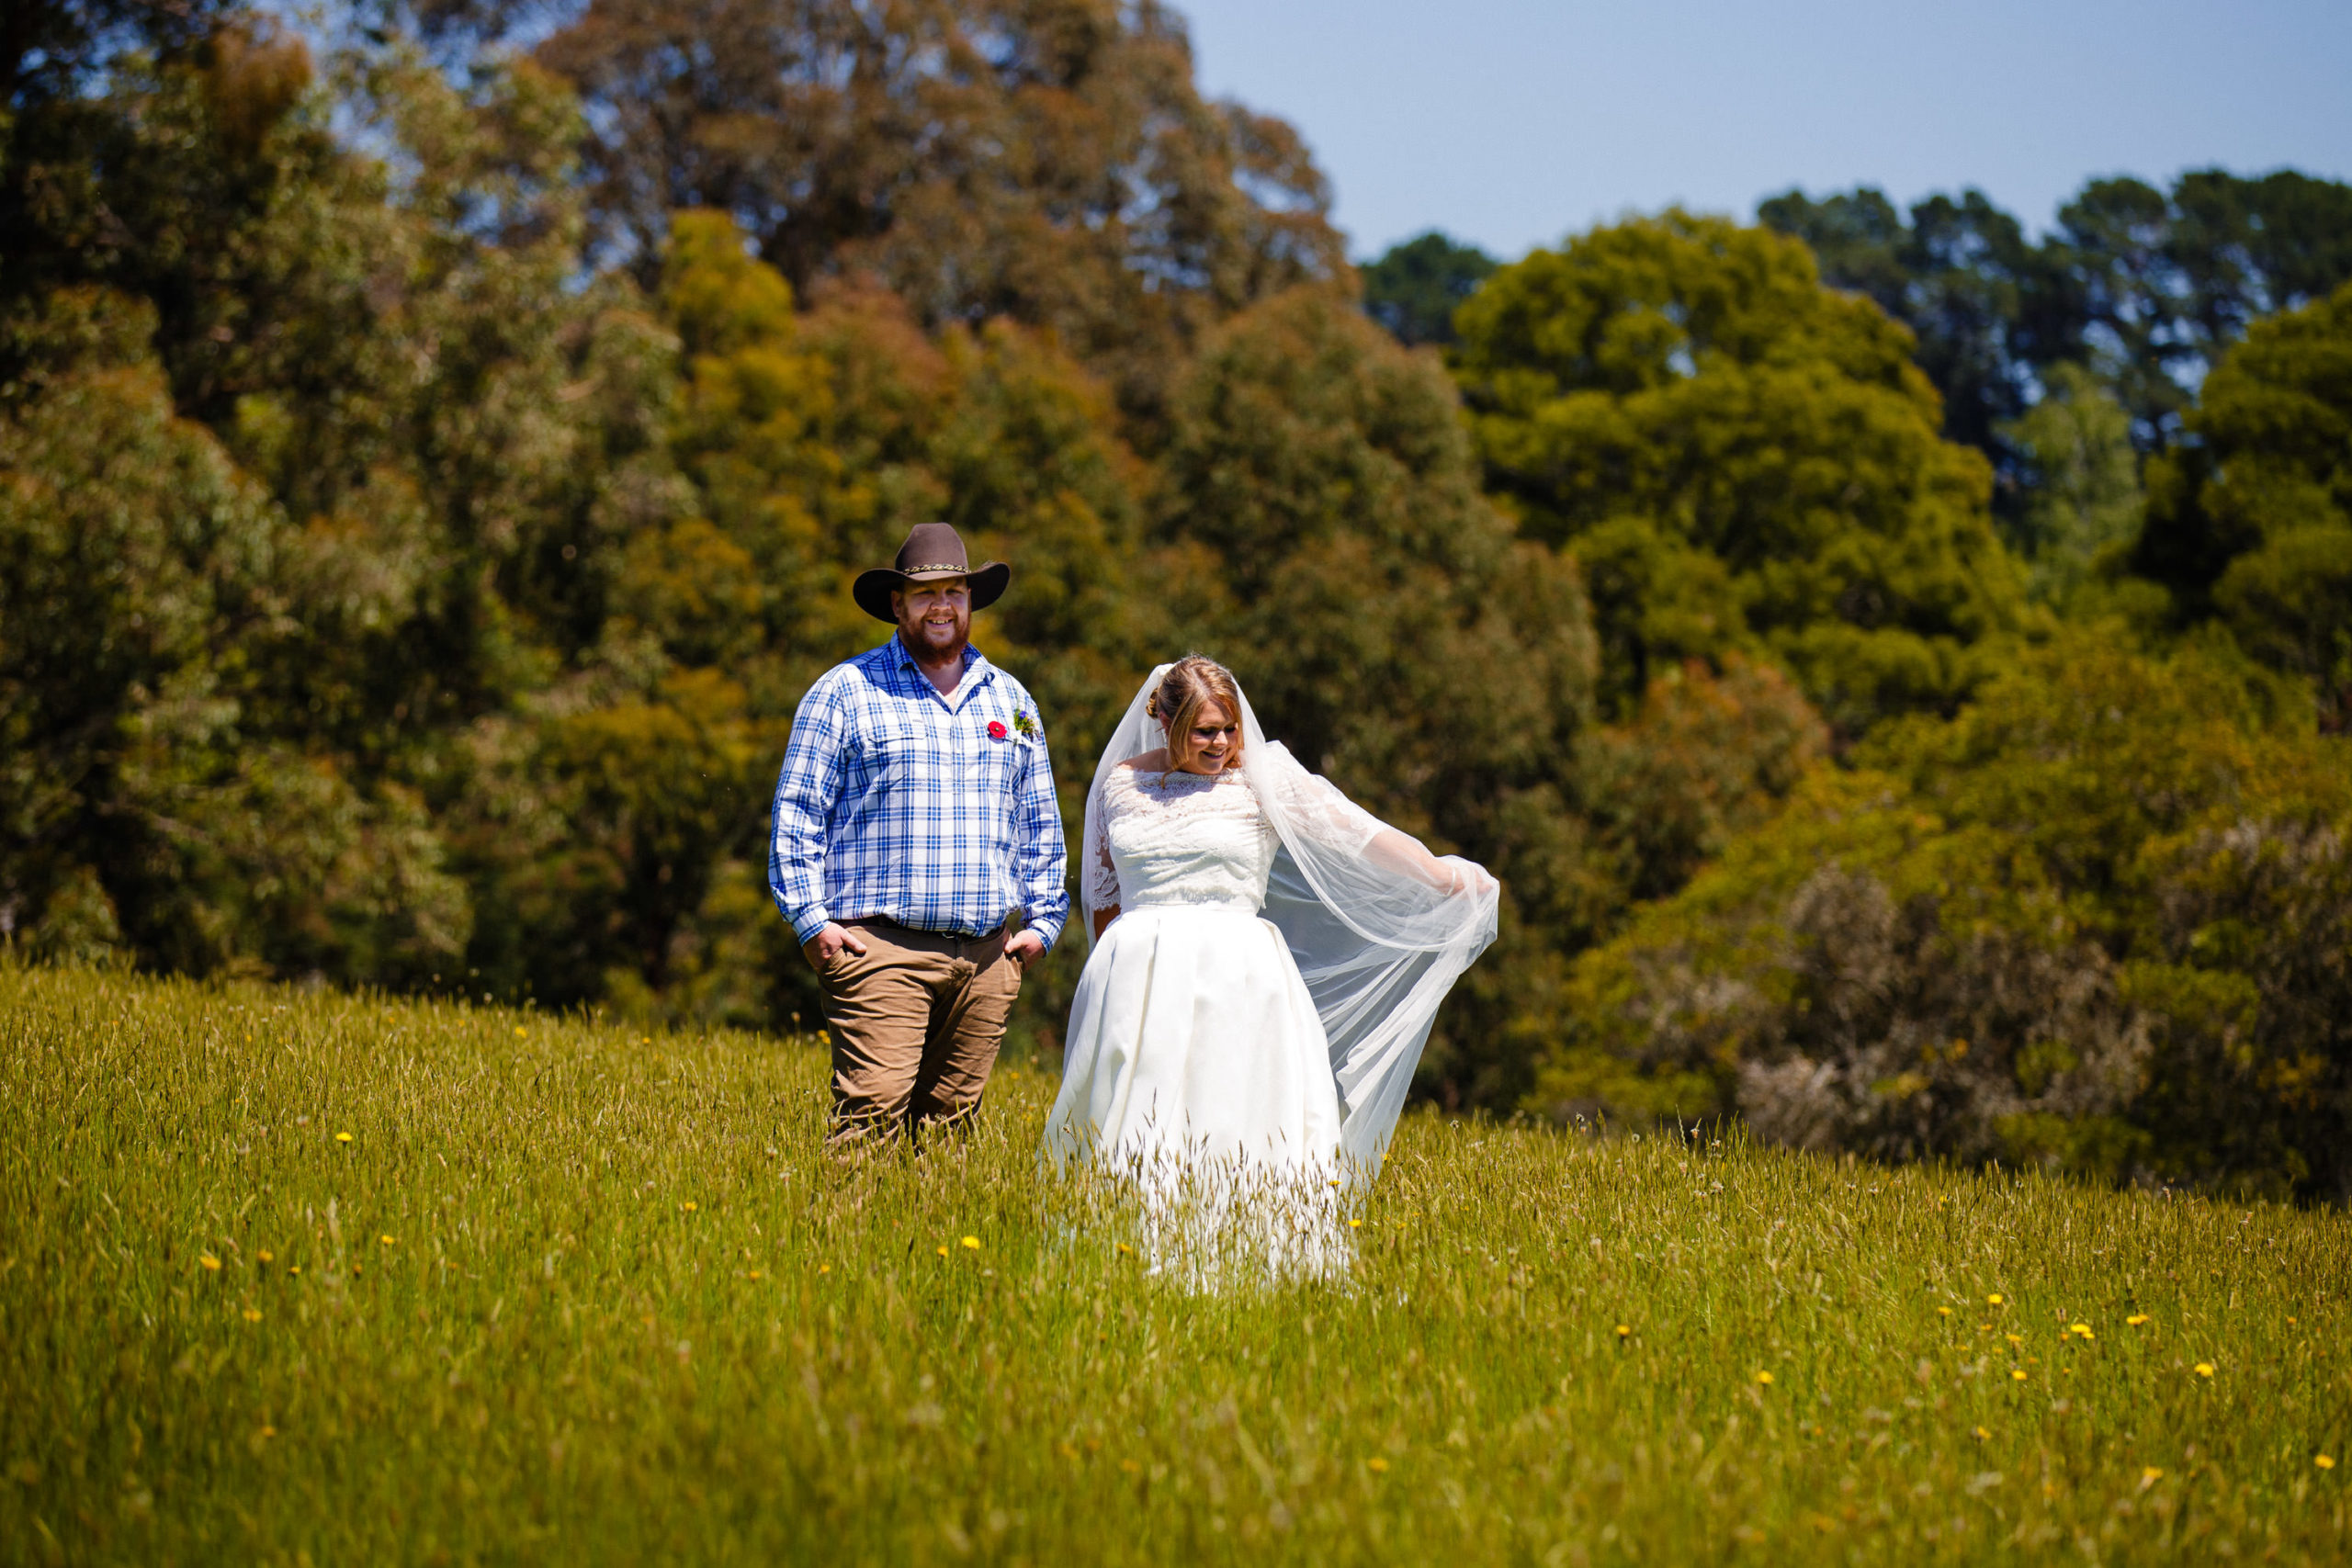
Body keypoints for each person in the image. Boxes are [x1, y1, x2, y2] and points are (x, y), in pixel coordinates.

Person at [1041, 655, 1498, 1276]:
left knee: (1232, 1116)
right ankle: (1130, 1264)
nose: (1222, 743)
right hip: (1137, 980)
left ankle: (1244, 1264)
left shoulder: (1261, 779)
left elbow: (1354, 833)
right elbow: (1103, 890)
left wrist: (1442, 875)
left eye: (1229, 728)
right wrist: (1112, 971)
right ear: (1165, 721)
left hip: (1238, 976)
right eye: (1204, 731)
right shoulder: (1121, 784)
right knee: (1136, 1126)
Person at [769, 523, 1068, 1147]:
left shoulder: (1012, 701)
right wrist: (810, 922)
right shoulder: (845, 692)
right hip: (879, 950)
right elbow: (796, 814)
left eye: (955, 591)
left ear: (970, 601)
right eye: (926, 593)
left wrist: (1043, 924)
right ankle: (847, 1245)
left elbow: (1039, 820)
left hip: (987, 957)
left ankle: (931, 1242)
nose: (942, 606)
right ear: (898, 604)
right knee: (871, 1116)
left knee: (950, 1135)